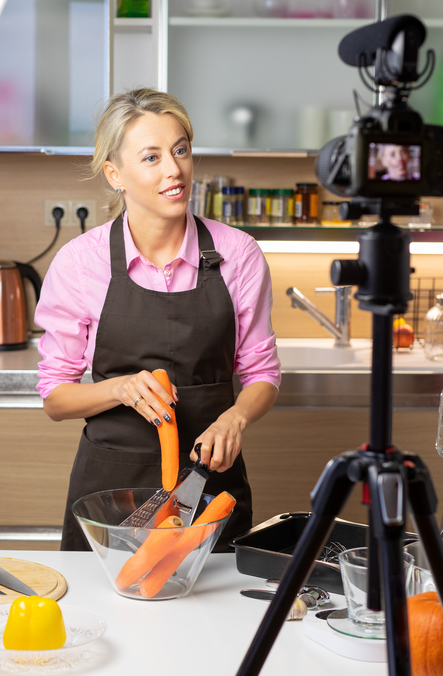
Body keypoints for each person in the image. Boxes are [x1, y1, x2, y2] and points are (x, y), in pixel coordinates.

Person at [34, 89, 281, 551]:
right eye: (151, 157)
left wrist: (237, 418)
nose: (174, 170)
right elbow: (55, 398)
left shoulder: (238, 254)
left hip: (209, 488)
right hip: (109, 492)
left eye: (181, 150)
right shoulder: (80, 263)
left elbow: (262, 373)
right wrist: (120, 389)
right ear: (115, 174)